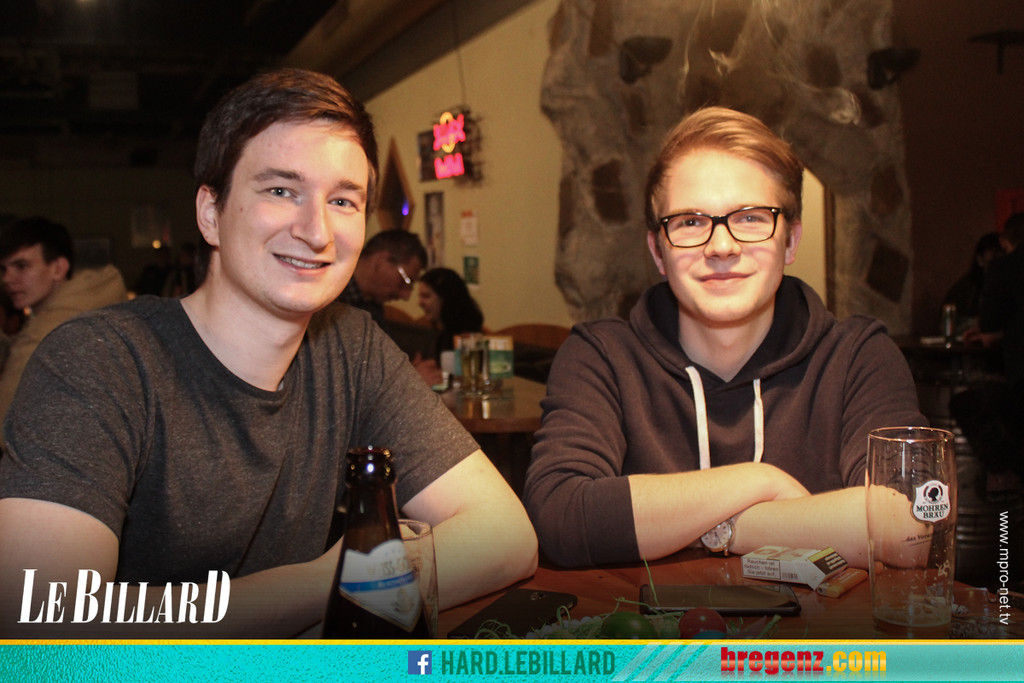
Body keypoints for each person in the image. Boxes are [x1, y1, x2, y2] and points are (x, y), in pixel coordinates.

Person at [0, 68, 536, 638]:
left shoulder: (351, 347)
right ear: (211, 213)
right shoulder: (98, 360)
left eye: (343, 200)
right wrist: (324, 583)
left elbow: (506, 536)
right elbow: (39, 618)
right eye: (281, 190)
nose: (317, 231)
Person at [524, 107, 924, 569]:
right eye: (690, 222)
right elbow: (561, 517)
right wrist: (761, 481)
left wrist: (721, 528)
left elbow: (908, 526)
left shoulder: (857, 357)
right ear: (658, 251)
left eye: (751, 217)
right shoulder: (602, 357)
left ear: (791, 241)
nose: (721, 246)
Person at [0, 217, 128, 439]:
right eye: (3, 268)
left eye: (21, 266)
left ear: (58, 269)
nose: (7, 278)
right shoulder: (88, 305)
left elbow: (5, 415)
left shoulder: (51, 329)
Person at [337, 229, 427, 327]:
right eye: (404, 281)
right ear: (382, 261)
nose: (406, 296)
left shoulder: (373, 307)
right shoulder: (333, 293)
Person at [413, 267, 484, 383]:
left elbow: (461, 380)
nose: (419, 303)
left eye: (426, 296)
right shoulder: (441, 334)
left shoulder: (466, 338)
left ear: (445, 298)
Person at [943, 231, 1003, 336]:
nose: (999, 268)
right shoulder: (966, 289)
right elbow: (948, 324)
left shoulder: (1008, 285)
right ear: (980, 260)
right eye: (993, 262)